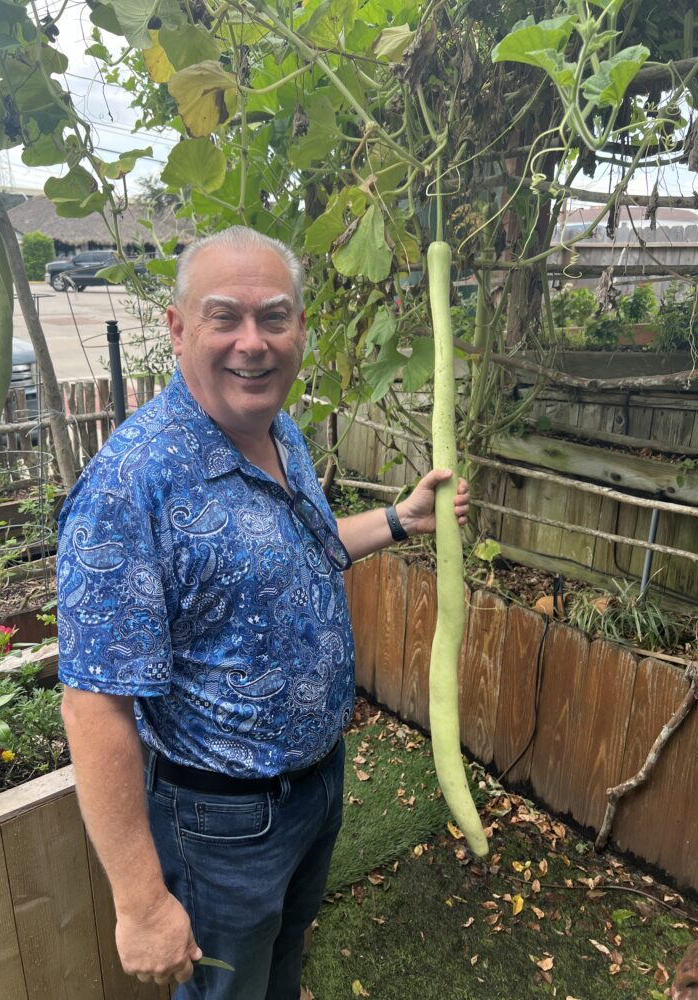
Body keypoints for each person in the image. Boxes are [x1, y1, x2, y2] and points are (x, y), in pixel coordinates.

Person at [57, 227, 470, 1000]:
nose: (254, 342)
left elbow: (302, 551)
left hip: (315, 788)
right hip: (220, 824)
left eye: (274, 317)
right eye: (225, 317)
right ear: (180, 329)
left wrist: (397, 519)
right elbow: (92, 703)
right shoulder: (131, 487)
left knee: (281, 969)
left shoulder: (278, 433)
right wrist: (142, 903)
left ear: (300, 330)